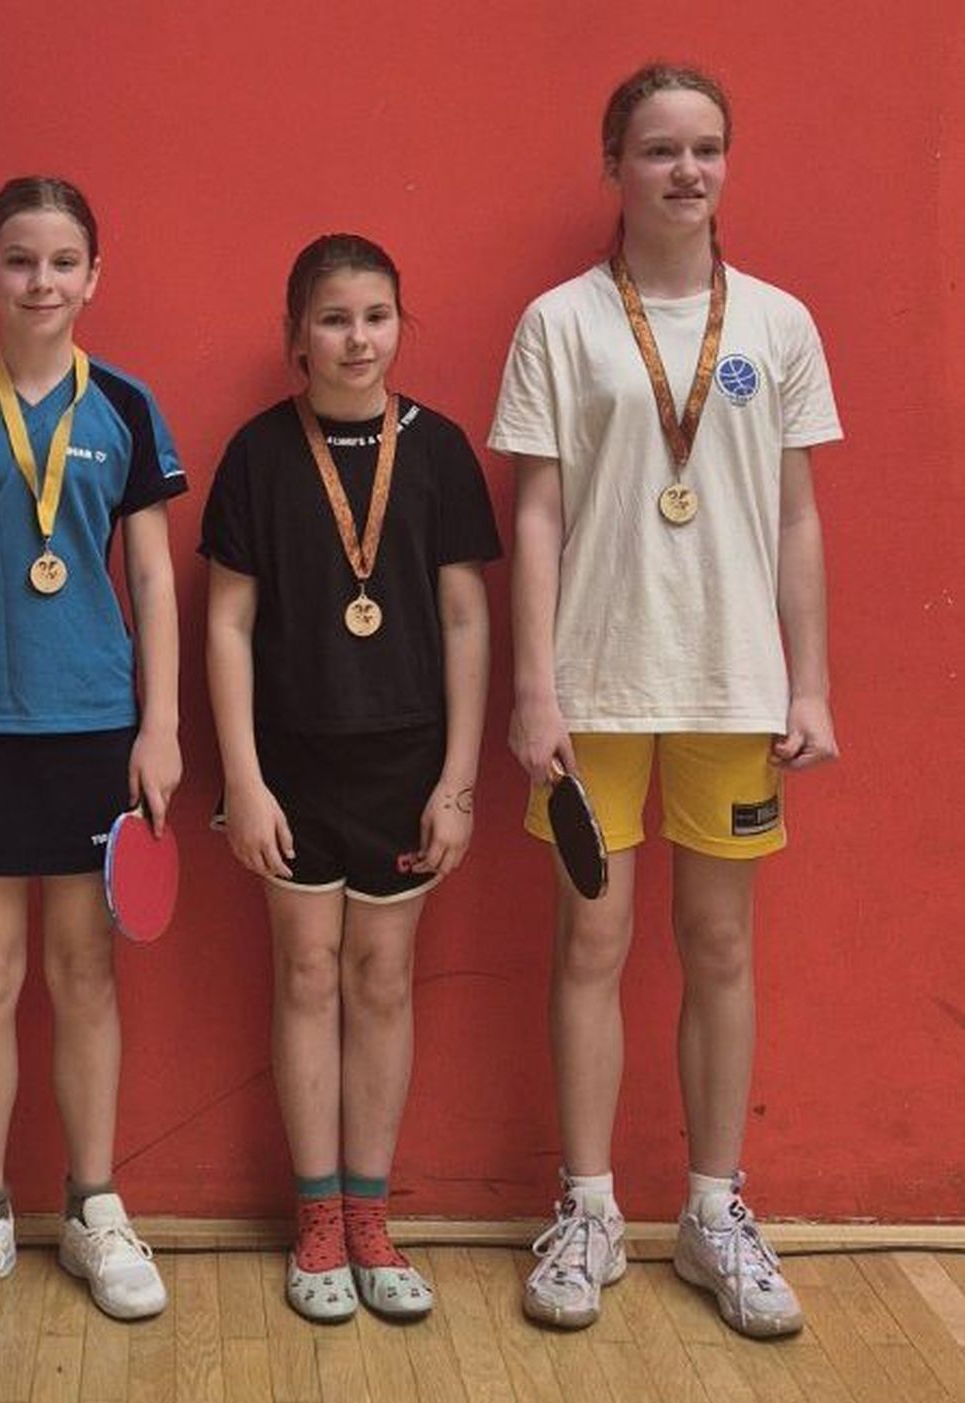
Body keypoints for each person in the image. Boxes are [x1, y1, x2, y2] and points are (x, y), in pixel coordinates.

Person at [491, 63, 841, 1338]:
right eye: (657, 150)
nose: (684, 171)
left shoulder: (779, 324)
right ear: (613, 167)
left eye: (704, 148)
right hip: (594, 686)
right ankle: (587, 1208)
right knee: (590, 942)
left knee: (720, 945)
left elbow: (795, 517)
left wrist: (810, 680)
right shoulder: (558, 322)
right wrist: (534, 687)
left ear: (725, 163)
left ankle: (709, 1208)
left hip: (731, 685)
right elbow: (536, 513)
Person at [0, 176, 185, 1324]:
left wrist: (160, 726)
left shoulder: (128, 405)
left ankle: (94, 1204)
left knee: (84, 971)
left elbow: (152, 574)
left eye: (62, 261)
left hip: (96, 728)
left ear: (94, 276)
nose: (41, 280)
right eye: (19, 260)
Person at [202, 235, 500, 1322]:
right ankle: (317, 1217)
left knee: (381, 979)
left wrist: (457, 780)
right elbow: (227, 624)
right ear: (296, 334)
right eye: (334, 319)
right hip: (289, 764)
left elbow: (465, 618)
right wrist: (243, 778)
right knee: (305, 973)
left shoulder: (440, 448)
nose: (357, 338)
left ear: (400, 325)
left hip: (406, 764)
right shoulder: (256, 453)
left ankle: (371, 1214)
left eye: (376, 316)